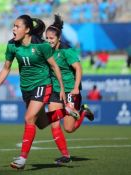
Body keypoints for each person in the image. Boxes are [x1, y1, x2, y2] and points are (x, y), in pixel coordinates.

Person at [0, 14, 68, 170]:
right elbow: (6, 68)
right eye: (14, 26)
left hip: (43, 85)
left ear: (27, 30)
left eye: (17, 26)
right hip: (26, 89)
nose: (14, 29)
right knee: (42, 123)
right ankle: (66, 111)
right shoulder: (12, 45)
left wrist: (62, 89)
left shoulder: (41, 46)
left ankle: (22, 159)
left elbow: (54, 66)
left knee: (29, 117)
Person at [45, 15, 94, 164]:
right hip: (55, 91)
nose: (49, 41)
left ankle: (83, 112)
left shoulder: (67, 50)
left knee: (69, 128)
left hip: (70, 91)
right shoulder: (46, 50)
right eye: (47, 38)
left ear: (58, 38)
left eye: (51, 38)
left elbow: (78, 69)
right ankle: (66, 156)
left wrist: (75, 89)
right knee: (53, 123)